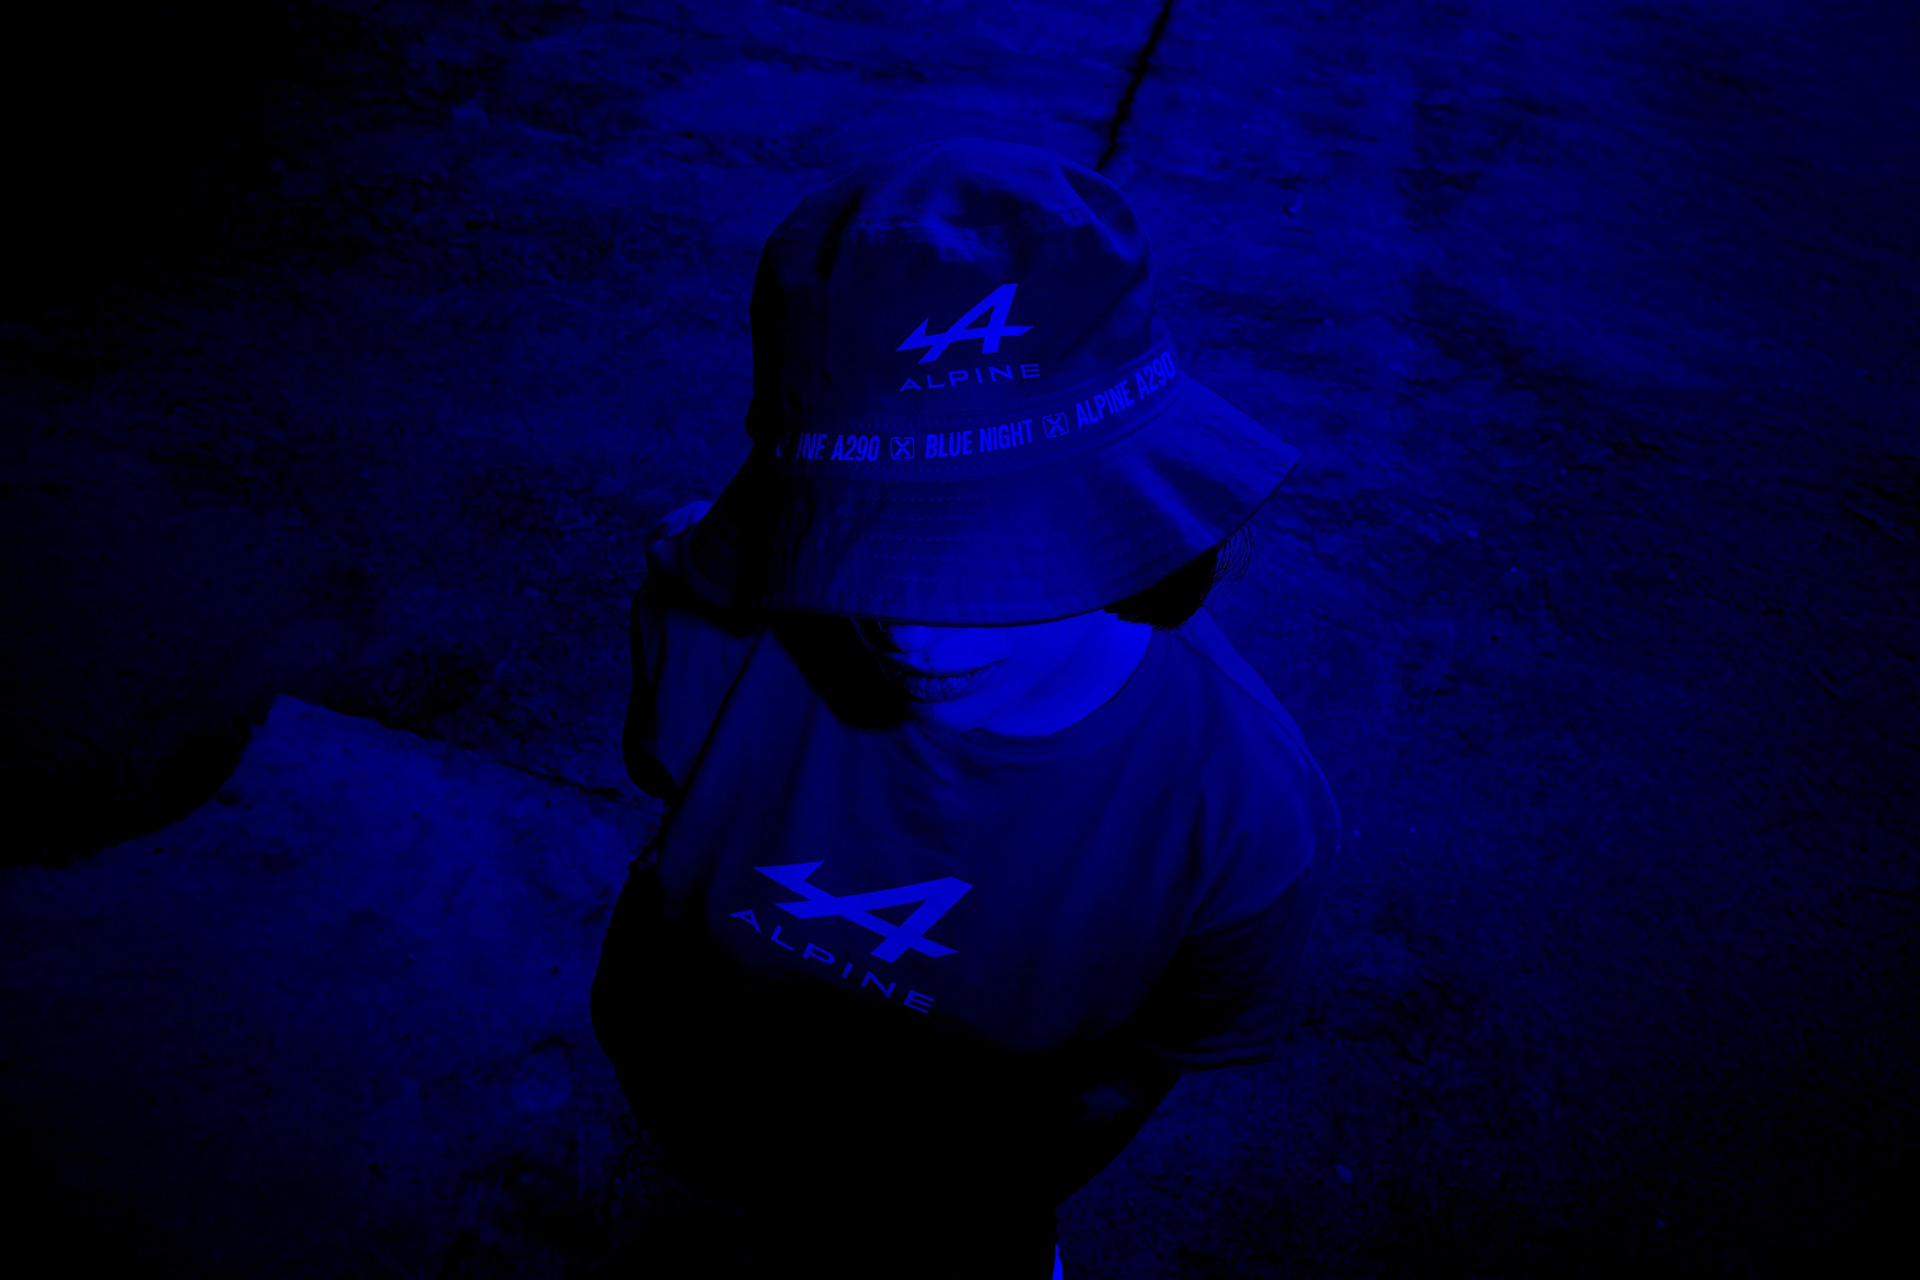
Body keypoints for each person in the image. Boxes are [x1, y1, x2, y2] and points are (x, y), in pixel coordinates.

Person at [591, 138, 1341, 1278]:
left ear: (1131, 519)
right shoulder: (709, 616)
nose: (913, 631)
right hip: (693, 1094)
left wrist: (997, 1195)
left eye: (1002, 558)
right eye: (859, 537)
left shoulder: (1243, 816)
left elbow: (1137, 1069)